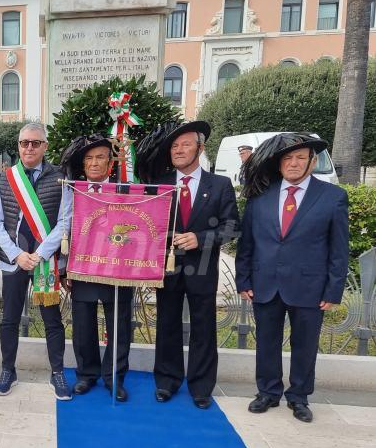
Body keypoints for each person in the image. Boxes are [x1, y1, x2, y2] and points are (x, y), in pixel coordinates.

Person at [236, 133, 349, 423]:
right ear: (279, 163)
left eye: (301, 157)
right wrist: (244, 280)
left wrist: (333, 290)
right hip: (265, 283)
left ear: (312, 162)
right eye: (288, 158)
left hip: (310, 285)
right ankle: (268, 392)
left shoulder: (333, 197)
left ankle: (299, 397)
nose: (294, 163)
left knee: (305, 344)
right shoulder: (260, 195)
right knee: (266, 341)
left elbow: (338, 249)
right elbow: (247, 243)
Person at [137, 121, 239, 409]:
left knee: (203, 329)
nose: (179, 150)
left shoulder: (219, 185)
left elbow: (231, 226)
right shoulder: (160, 184)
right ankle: (167, 382)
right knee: (166, 325)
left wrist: (201, 238)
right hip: (167, 269)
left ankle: (201, 387)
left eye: (185, 144)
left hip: (202, 269)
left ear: (200, 148)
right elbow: (146, 224)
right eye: (174, 146)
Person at [0, 122, 71, 400]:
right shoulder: (6, 178)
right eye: (24, 143)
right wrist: (17, 254)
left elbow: (65, 221)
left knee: (52, 320)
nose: (29, 147)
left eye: (35, 143)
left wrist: (40, 254)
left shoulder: (61, 177)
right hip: (15, 261)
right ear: (18, 146)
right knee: (9, 319)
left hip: (44, 262)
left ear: (45, 146)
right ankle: (7, 370)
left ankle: (57, 372)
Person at [59, 134, 133, 401]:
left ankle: (115, 377)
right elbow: (64, 229)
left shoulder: (126, 190)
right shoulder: (73, 190)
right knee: (83, 325)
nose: (93, 162)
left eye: (100, 157)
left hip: (118, 270)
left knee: (119, 326)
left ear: (110, 162)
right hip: (82, 268)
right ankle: (86, 375)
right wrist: (63, 268)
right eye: (89, 158)